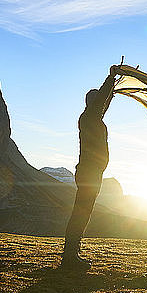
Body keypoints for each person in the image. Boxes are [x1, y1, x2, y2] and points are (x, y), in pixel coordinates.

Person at [60, 65, 118, 270]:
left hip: (91, 173)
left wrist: (113, 86)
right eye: (98, 102)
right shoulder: (89, 117)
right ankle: (69, 257)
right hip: (89, 173)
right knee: (81, 213)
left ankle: (71, 254)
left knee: (82, 212)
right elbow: (102, 100)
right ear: (92, 103)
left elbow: (104, 102)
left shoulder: (93, 117)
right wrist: (110, 79)